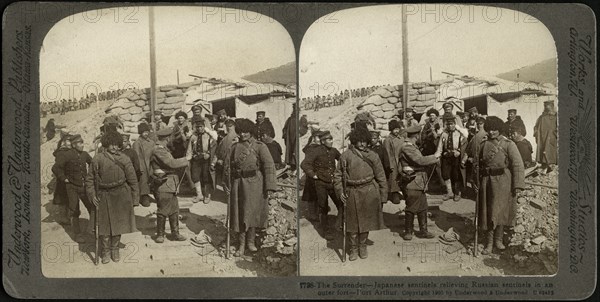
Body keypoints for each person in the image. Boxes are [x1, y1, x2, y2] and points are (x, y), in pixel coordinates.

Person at [223, 118, 277, 257]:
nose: (243, 135)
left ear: (251, 131)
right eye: (240, 132)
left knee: (252, 213)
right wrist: (226, 184)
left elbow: (269, 166)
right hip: (238, 183)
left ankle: (251, 242)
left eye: (246, 132)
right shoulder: (233, 148)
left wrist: (269, 185)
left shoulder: (260, 146)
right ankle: (241, 244)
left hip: (255, 183)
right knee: (240, 214)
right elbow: (227, 168)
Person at [334, 126, 387, 261]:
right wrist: (340, 191)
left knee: (366, 223)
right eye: (359, 141)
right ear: (354, 141)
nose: (362, 144)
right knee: (351, 224)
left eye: (365, 141)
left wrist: (383, 195)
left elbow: (381, 175)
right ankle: (353, 248)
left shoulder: (372, 155)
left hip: (369, 191)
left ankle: (362, 246)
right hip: (351, 192)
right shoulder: (345, 156)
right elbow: (338, 176)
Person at [85, 131, 139, 264]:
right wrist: (92, 195)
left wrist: (135, 198)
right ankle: (105, 251)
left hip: (121, 194)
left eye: (116, 145)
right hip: (103, 195)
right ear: (106, 144)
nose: (114, 147)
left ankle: (115, 249)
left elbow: (132, 179)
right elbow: (89, 180)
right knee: (103, 225)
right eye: (111, 145)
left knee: (118, 224)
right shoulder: (97, 159)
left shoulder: (125, 159)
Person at [478, 116, 525, 255]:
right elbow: (477, 164)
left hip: (503, 180)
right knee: (488, 211)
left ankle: (498, 240)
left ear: (500, 129)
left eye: (495, 129)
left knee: (500, 211)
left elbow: (517, 164)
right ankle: (489, 242)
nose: (492, 132)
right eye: (489, 129)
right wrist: (475, 180)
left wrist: (517, 184)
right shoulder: (483, 144)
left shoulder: (508, 144)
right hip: (487, 180)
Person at [399, 125, 441, 241]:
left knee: (422, 207)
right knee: (411, 206)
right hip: (412, 181)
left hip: (419, 181)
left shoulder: (412, 146)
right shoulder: (407, 147)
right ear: (416, 136)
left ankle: (423, 231)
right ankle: (408, 231)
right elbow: (420, 160)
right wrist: (435, 157)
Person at [151, 127, 190, 243]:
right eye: (171, 138)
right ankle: (160, 234)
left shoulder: (164, 149)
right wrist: (186, 160)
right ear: (167, 138)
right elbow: (171, 163)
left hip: (170, 184)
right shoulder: (159, 150)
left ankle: (175, 233)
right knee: (163, 209)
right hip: (163, 183)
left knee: (174, 209)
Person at [52, 134, 94, 243]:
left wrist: (92, 174)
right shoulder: (66, 155)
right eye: (80, 143)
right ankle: (77, 234)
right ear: (74, 145)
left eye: (83, 142)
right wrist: (64, 178)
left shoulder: (85, 154)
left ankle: (94, 227)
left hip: (84, 186)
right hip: (71, 188)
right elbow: (56, 168)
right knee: (74, 210)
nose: (83, 145)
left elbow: (93, 163)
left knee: (91, 206)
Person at [300, 130, 341, 240]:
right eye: (329, 139)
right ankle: (326, 231)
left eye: (331, 139)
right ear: (323, 141)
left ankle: (341, 224)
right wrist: (313, 175)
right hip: (320, 183)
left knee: (340, 203)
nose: (331, 141)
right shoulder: (315, 151)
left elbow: (342, 160)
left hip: (332, 182)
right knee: (323, 207)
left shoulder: (334, 151)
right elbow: (304, 164)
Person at [437, 114, 467, 201]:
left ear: (455, 124)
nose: (450, 126)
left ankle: (457, 193)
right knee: (445, 174)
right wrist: (437, 156)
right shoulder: (444, 134)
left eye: (452, 124)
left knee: (456, 175)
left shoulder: (460, 134)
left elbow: (465, 145)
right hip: (447, 156)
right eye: (448, 124)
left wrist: (459, 151)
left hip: (456, 156)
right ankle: (449, 192)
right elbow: (440, 146)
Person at [186, 117, 217, 204]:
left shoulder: (209, 136)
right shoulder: (193, 136)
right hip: (196, 158)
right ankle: (199, 195)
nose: (200, 128)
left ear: (204, 127)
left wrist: (209, 154)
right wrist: (188, 159)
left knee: (206, 177)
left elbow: (214, 147)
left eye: (201, 127)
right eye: (198, 127)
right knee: (195, 176)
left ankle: (207, 195)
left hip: (205, 158)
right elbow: (190, 149)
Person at [51, 134, 73, 225]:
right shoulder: (61, 152)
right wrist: (63, 177)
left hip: (69, 178)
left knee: (68, 198)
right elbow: (56, 168)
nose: (70, 143)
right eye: (68, 141)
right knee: (63, 198)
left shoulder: (70, 151)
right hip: (63, 179)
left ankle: (68, 217)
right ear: (64, 142)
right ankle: (64, 218)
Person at [301, 130, 323, 221]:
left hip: (320, 174)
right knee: (311, 195)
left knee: (319, 194)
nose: (320, 139)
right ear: (313, 138)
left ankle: (318, 213)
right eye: (318, 137)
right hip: (312, 174)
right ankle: (312, 214)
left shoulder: (322, 147)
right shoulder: (310, 148)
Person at [132, 123, 155, 207]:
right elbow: (137, 156)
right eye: (144, 132)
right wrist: (139, 167)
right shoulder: (137, 143)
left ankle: (151, 194)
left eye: (147, 132)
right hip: (142, 164)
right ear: (140, 133)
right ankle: (144, 196)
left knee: (152, 180)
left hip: (150, 164)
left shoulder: (151, 142)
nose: (146, 133)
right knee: (143, 181)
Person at [383, 120, 405, 205]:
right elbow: (387, 153)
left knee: (402, 177)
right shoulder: (388, 140)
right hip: (393, 161)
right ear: (391, 130)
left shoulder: (401, 139)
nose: (397, 131)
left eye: (398, 129)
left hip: (401, 161)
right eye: (395, 129)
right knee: (394, 178)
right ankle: (394, 194)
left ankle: (402, 192)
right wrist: (390, 165)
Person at [533, 100, 557, 173]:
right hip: (541, 138)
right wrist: (537, 133)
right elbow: (536, 126)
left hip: (550, 138)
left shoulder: (556, 116)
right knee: (542, 152)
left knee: (549, 152)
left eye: (548, 105)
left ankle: (550, 166)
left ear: (552, 106)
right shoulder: (541, 117)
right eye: (545, 106)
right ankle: (544, 166)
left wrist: (554, 134)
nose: (547, 107)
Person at [214, 118, 238, 191]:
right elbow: (219, 151)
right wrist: (218, 160)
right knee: (226, 182)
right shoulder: (224, 138)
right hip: (224, 163)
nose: (228, 128)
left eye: (230, 126)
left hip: (234, 163)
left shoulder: (237, 138)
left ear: (234, 126)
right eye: (227, 126)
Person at [121, 133, 142, 204]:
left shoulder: (132, 152)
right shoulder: (116, 152)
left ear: (128, 142)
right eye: (121, 141)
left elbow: (136, 165)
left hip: (130, 176)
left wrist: (137, 175)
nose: (122, 143)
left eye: (124, 141)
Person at [282, 104, 298, 173]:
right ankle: (292, 166)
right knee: (290, 151)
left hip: (296, 138)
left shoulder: (300, 119)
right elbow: (285, 128)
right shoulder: (290, 119)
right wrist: (285, 134)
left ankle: (296, 166)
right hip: (290, 138)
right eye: (294, 108)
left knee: (296, 151)